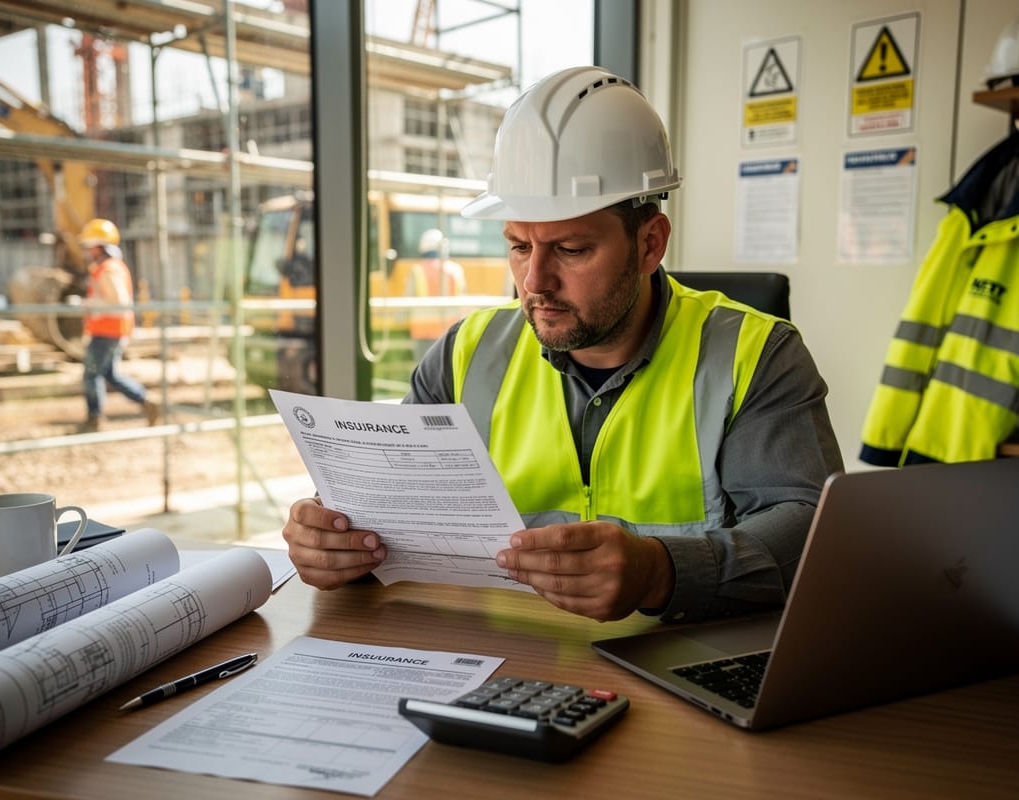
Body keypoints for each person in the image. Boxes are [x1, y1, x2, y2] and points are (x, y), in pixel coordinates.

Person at [282, 66, 843, 623]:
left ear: (650, 244)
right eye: (519, 246)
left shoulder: (755, 354)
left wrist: (661, 571)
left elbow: (809, 528)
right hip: (501, 660)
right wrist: (337, 544)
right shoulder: (464, 354)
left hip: (672, 667)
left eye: (571, 249)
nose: (535, 282)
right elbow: (395, 517)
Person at [77, 218, 159, 432]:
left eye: (89, 245)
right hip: (112, 329)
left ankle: (94, 419)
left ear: (99, 246)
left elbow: (119, 301)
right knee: (110, 374)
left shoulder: (109, 269)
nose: (87, 250)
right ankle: (145, 400)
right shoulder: (110, 267)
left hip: (107, 330)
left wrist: (86, 303)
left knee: (91, 374)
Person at [405, 228, 467, 361]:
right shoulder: (455, 270)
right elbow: (463, 302)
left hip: (423, 333)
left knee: (423, 374)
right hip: (450, 332)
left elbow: (406, 302)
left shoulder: (416, 271)